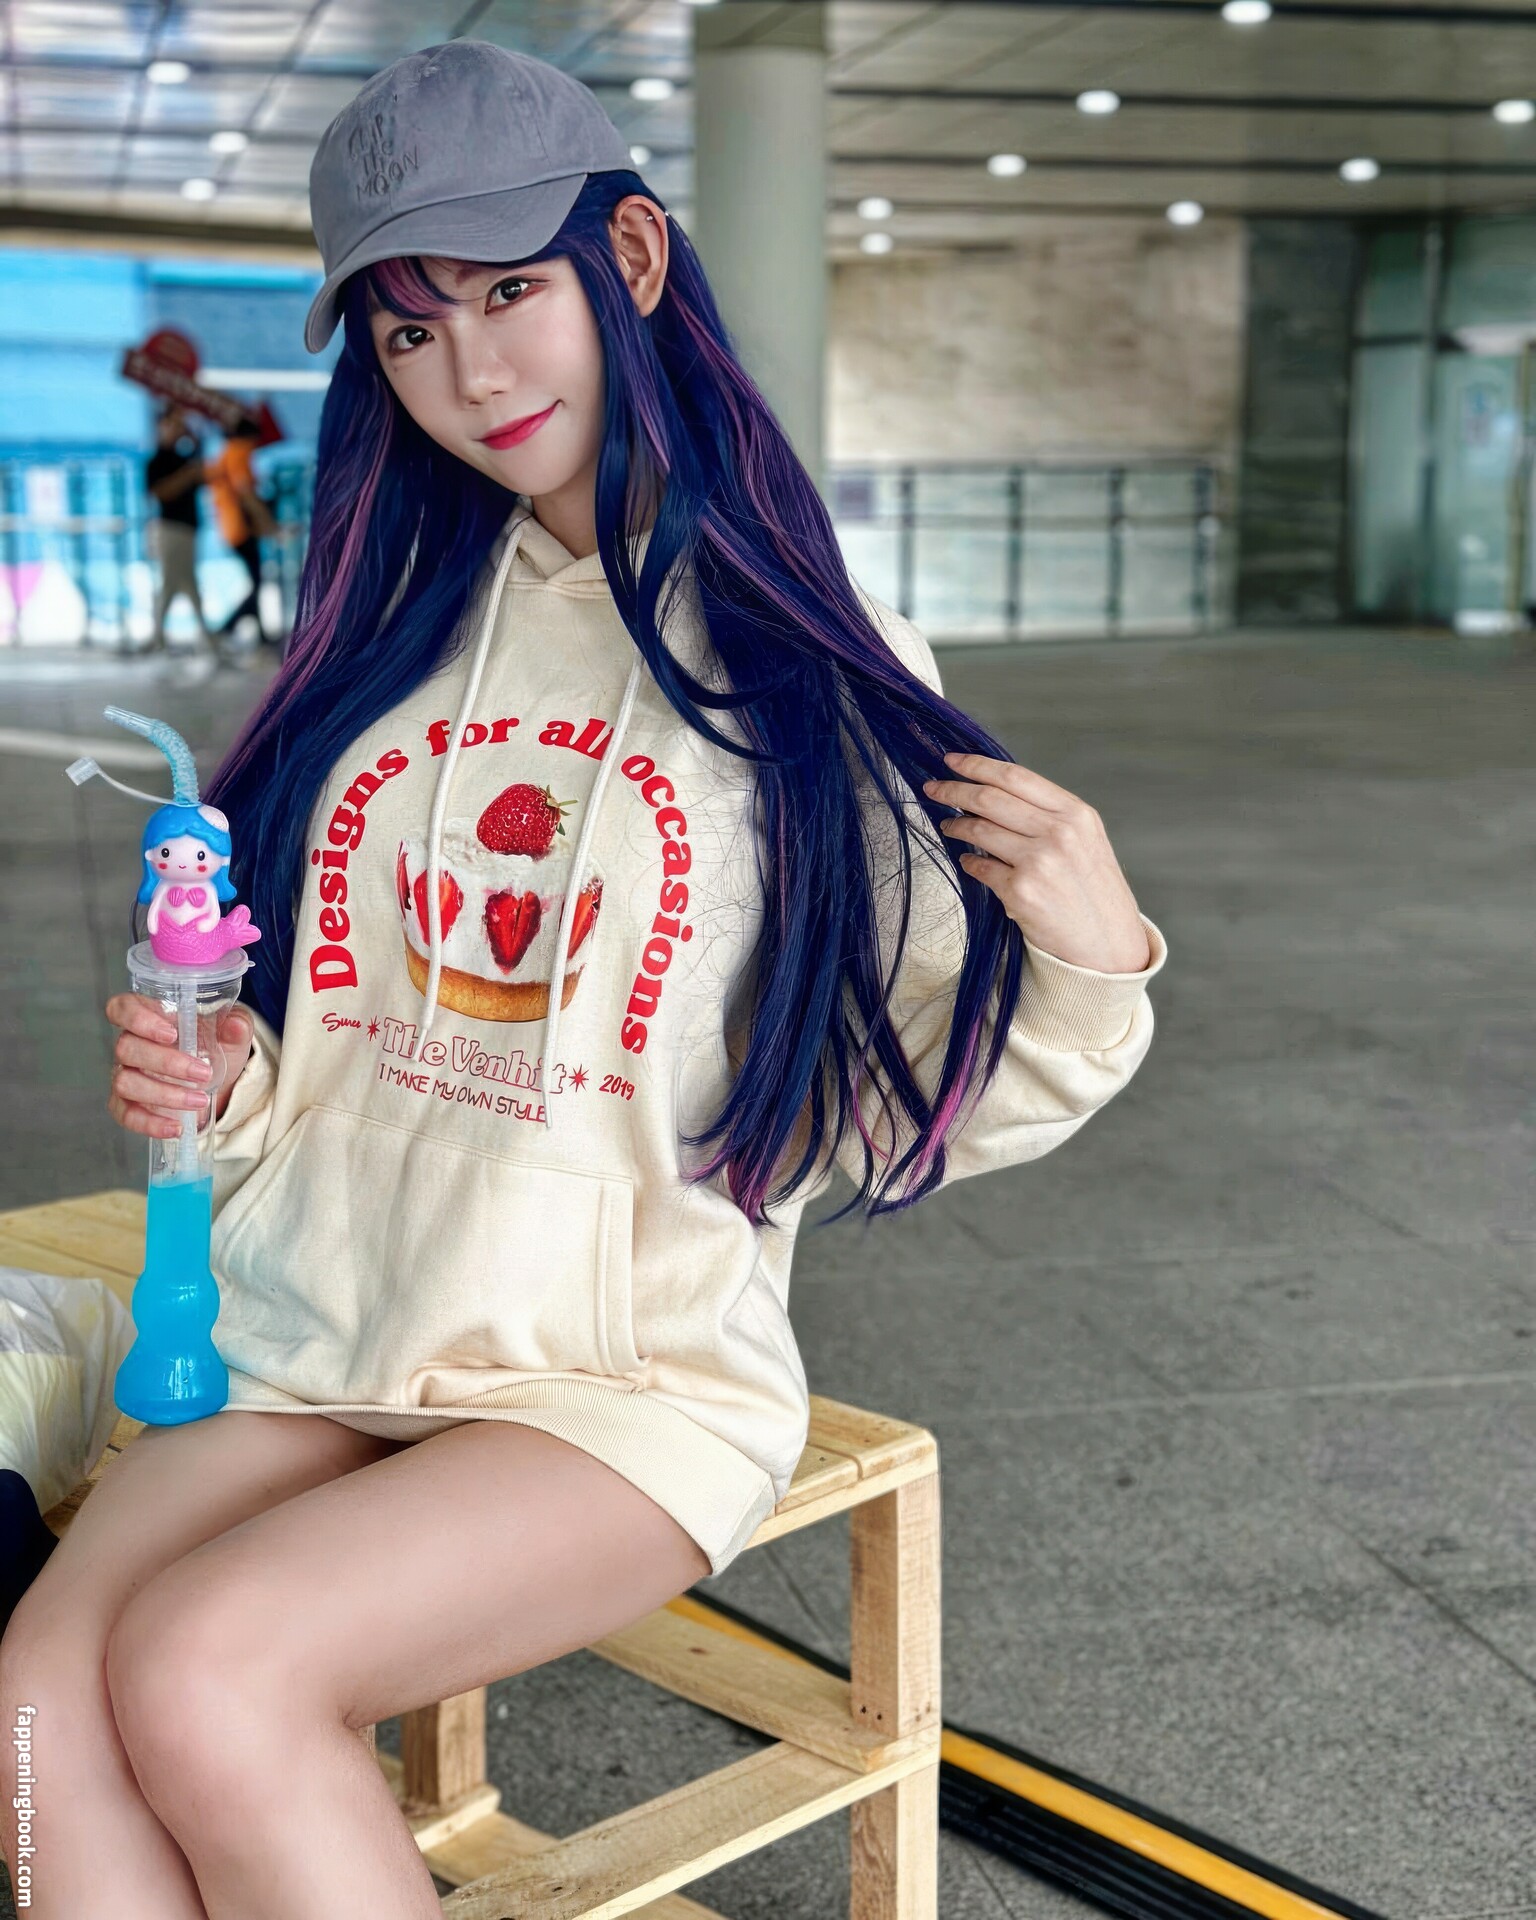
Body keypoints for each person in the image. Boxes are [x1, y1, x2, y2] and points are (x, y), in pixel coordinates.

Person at [0, 42, 1168, 1919]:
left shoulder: (811, 659)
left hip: (614, 1375)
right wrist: (236, 1084)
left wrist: (1092, 956)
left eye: (506, 292)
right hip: (322, 1318)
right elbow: (354, 1024)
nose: (470, 373)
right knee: (40, 1703)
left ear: (626, 261)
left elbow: (885, 1103)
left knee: (208, 1673)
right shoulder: (385, 634)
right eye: (408, 330)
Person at [204, 411, 278, 650]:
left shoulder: (227, 452)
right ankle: (229, 626)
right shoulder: (239, 452)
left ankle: (259, 634)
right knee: (257, 581)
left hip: (232, 526)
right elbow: (246, 494)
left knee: (256, 580)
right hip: (239, 527)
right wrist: (268, 524)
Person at [143, 407, 210, 652]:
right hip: (170, 529)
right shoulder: (156, 461)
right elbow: (160, 493)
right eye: (172, 424)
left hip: (188, 528)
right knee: (172, 583)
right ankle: (159, 635)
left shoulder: (184, 457)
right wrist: (185, 476)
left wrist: (191, 435)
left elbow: (203, 475)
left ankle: (200, 634)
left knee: (187, 583)